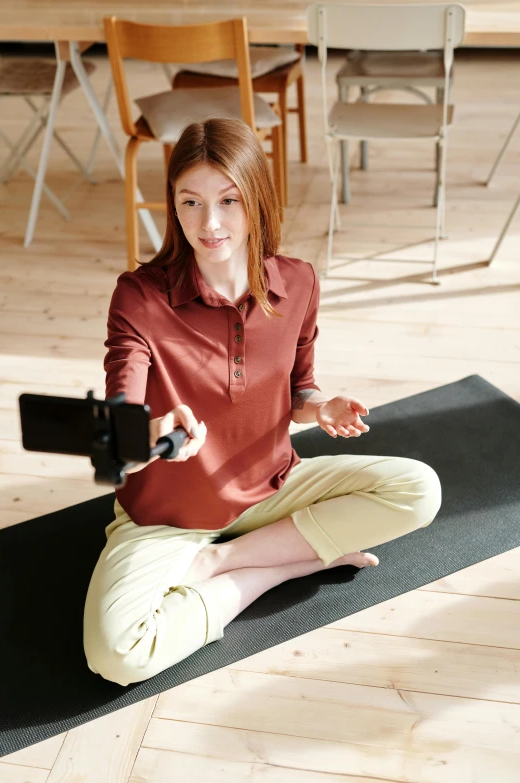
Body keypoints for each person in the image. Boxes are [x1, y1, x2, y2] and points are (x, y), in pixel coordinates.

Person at [83, 118, 442, 687]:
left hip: (272, 486)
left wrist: (320, 408)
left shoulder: (297, 282)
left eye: (230, 199)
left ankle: (223, 562)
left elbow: (300, 388)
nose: (212, 223)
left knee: (420, 488)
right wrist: (144, 433)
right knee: (116, 656)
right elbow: (122, 396)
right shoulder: (140, 295)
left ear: (258, 199)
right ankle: (274, 570)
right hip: (166, 517)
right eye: (191, 202)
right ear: (173, 208)